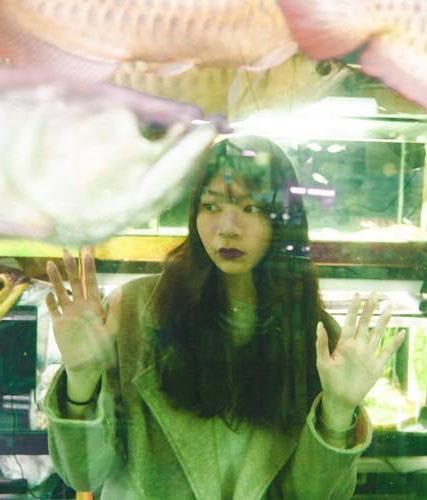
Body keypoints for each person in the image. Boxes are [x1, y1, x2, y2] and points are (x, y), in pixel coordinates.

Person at [43, 135, 405, 499]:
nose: (228, 227)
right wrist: (81, 379)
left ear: (284, 221)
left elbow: (314, 495)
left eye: (252, 209)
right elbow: (83, 474)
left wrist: (338, 412)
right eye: (210, 206)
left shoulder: (317, 337)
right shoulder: (137, 310)